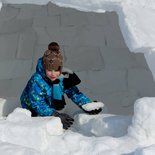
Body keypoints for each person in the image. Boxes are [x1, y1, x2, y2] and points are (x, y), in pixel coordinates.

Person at [20, 42, 104, 130]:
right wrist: (54, 115)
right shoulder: (37, 80)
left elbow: (74, 93)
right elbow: (36, 103)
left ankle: (51, 110)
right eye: (49, 70)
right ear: (44, 68)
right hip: (31, 106)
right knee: (37, 118)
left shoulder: (62, 77)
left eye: (56, 70)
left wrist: (86, 105)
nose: (53, 74)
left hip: (50, 102)